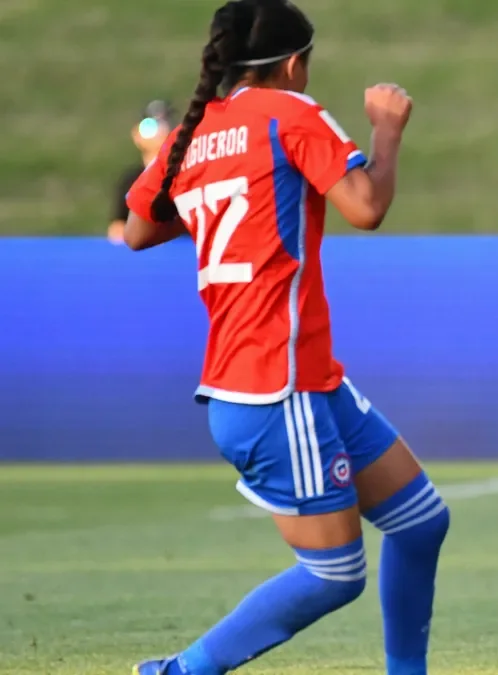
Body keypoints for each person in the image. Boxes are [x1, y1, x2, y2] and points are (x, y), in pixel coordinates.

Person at [121, 1, 449, 674]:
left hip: (297, 381)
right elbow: (366, 207)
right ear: (294, 64)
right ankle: (178, 672)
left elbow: (138, 229)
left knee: (421, 522)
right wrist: (386, 131)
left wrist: (223, 193)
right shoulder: (290, 114)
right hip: (276, 384)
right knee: (334, 574)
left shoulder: (196, 133)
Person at [108, 100, 177, 244]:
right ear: (136, 135)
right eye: (150, 126)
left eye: (165, 124)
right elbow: (117, 228)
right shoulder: (130, 181)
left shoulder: (182, 175)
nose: (160, 132)